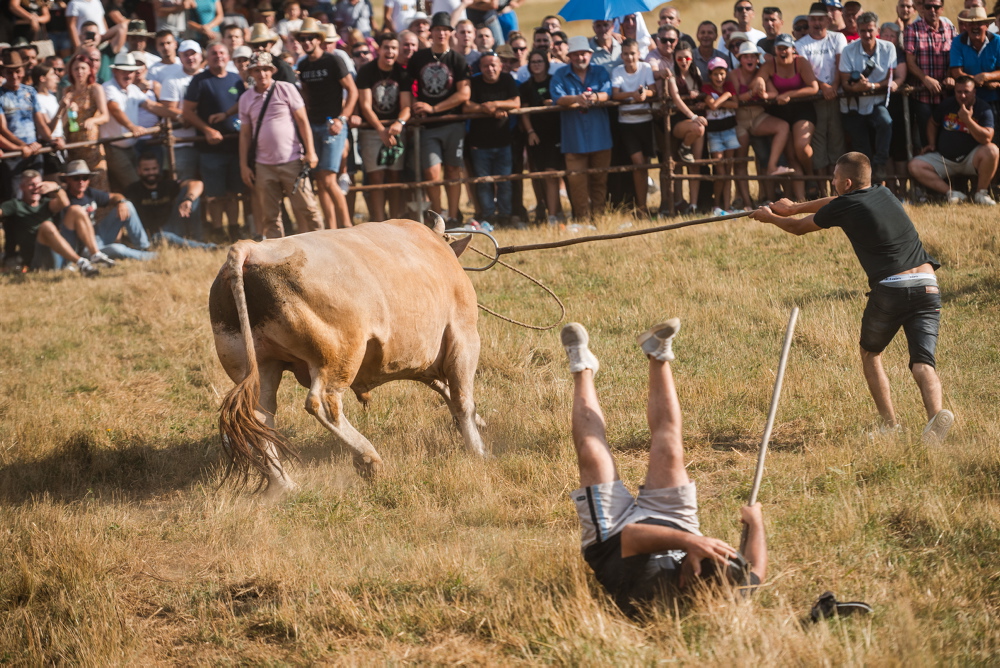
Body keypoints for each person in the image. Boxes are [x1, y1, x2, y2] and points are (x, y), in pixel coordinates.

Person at [558, 319, 767, 618]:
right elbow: (756, 571)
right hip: (675, 525)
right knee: (670, 448)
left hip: (615, 536)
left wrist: (693, 541)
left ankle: (582, 367)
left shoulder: (651, 594)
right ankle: (657, 353)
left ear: (687, 575)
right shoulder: (724, 590)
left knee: (593, 453)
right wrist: (756, 522)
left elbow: (633, 536)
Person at [751, 152, 955, 443]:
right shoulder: (883, 192)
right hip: (928, 285)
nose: (831, 182)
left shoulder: (846, 204)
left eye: (834, 178)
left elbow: (799, 229)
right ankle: (935, 416)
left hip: (892, 286)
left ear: (846, 183)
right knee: (923, 362)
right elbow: (834, 203)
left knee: (871, 354)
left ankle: (889, 425)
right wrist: (794, 207)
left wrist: (770, 218)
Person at [238, 51, 321, 239]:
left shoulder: (286, 89)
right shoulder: (245, 99)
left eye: (266, 69)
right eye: (257, 70)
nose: (262, 74)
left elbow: (303, 121)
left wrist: (311, 152)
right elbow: (244, 135)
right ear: (251, 73)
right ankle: (277, 259)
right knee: (270, 217)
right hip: (263, 164)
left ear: (272, 71)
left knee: (309, 209)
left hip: (292, 159)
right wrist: (244, 165)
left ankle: (323, 248)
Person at [406, 11, 470, 225]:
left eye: (445, 30)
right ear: (430, 32)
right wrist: (411, 108)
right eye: (437, 30)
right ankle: (438, 216)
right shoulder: (418, 58)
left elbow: (464, 94)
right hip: (428, 126)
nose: (441, 33)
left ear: (451, 33)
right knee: (432, 172)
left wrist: (434, 108)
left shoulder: (458, 60)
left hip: (453, 122)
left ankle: (453, 215)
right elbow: (407, 88)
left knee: (453, 169)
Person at [296, 16, 357, 229]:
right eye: (303, 38)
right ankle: (330, 230)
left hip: (333, 126)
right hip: (313, 126)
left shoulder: (333, 60)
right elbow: (304, 96)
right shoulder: (302, 65)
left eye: (310, 38)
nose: (306, 42)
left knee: (330, 179)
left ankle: (348, 228)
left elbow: (352, 91)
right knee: (320, 180)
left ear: (318, 39)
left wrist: (342, 119)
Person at [181, 40, 245, 241]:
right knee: (215, 195)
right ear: (207, 58)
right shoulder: (200, 80)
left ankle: (234, 229)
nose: (218, 56)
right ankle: (218, 231)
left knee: (234, 193)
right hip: (210, 149)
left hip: (235, 146)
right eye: (214, 54)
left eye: (221, 53)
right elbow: (187, 112)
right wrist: (207, 130)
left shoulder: (237, 79)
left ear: (228, 56)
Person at [0, 169, 110, 276]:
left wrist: (56, 188)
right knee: (46, 226)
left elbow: (64, 203)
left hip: (59, 252)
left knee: (76, 209)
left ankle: (95, 255)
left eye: (38, 184)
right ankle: (81, 263)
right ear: (21, 187)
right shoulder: (15, 205)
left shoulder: (45, 204)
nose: (35, 188)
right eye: (31, 184)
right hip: (39, 261)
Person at [908, 76, 998, 205]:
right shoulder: (948, 104)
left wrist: (967, 120)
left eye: (966, 92)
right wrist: (932, 143)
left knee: (993, 150)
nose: (962, 96)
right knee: (914, 166)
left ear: (974, 92)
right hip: (945, 159)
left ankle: (981, 193)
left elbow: (987, 138)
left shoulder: (983, 108)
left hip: (971, 160)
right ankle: (952, 193)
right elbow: (932, 122)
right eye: (959, 92)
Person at [552, 35, 612, 221]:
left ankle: (599, 217)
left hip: (599, 136)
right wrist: (577, 99)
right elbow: (557, 97)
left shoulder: (601, 72)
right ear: (569, 56)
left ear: (590, 54)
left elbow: (607, 92)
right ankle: (582, 219)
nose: (580, 58)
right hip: (574, 138)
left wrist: (594, 97)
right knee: (577, 182)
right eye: (576, 54)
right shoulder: (560, 75)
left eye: (584, 54)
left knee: (600, 180)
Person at [355, 31, 411, 222]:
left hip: (395, 131)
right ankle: (379, 222)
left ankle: (394, 221)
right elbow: (365, 106)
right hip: (372, 131)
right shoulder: (366, 71)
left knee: (395, 176)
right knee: (376, 178)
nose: (390, 51)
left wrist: (399, 122)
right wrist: (380, 130)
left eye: (394, 48)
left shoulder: (402, 72)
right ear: (378, 49)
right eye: (386, 47)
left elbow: (406, 107)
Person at [755, 33, 818, 200]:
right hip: (781, 113)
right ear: (775, 50)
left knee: (801, 146)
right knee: (791, 156)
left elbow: (813, 88)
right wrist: (760, 82)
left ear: (793, 49)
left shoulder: (801, 62)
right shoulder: (770, 64)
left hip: (802, 109)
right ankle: (801, 197)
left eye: (786, 48)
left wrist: (790, 94)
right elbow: (759, 78)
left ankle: (811, 176)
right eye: (779, 48)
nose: (783, 52)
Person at [729, 40, 793, 204]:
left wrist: (764, 96)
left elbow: (773, 93)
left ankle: (772, 167)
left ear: (758, 59)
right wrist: (753, 94)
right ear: (740, 59)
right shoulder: (734, 74)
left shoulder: (760, 74)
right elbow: (736, 98)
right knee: (741, 162)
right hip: (739, 122)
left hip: (758, 117)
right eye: (746, 56)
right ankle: (747, 202)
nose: (750, 59)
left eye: (753, 56)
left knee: (783, 127)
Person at [463, 48, 519, 227]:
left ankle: (505, 215)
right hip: (479, 143)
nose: (490, 69)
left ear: (500, 66)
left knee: (504, 182)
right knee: (483, 182)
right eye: (486, 66)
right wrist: (483, 108)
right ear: (480, 67)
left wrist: (496, 104)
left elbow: (515, 102)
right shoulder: (474, 81)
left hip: (503, 141)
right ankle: (488, 216)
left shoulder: (507, 79)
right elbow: (466, 106)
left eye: (493, 65)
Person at [60, 158, 156, 263]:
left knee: (127, 205)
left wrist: (121, 202)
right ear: (67, 180)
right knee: (117, 249)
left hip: (98, 237)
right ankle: (153, 257)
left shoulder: (89, 193)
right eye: (76, 178)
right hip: (82, 247)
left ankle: (144, 247)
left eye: (85, 177)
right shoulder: (64, 200)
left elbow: (115, 196)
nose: (81, 181)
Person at [838, 12, 896, 183]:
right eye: (862, 31)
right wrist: (855, 87)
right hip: (853, 106)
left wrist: (870, 86)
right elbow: (845, 82)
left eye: (870, 30)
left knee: (886, 122)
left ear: (877, 29)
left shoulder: (888, 48)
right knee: (861, 148)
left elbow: (891, 78)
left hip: (877, 102)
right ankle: (867, 183)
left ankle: (880, 165)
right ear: (857, 30)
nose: (867, 35)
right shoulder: (848, 50)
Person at [796, 2, 847, 190]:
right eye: (813, 19)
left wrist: (833, 85)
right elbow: (805, 70)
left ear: (828, 19)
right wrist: (825, 87)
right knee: (818, 142)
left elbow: (841, 64)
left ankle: (837, 189)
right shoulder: (800, 44)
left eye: (820, 18)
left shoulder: (838, 38)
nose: (817, 23)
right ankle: (821, 189)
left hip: (835, 96)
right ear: (808, 20)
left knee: (836, 140)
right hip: (815, 98)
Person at [0, 51, 58, 200]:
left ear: (23, 71)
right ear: (4, 73)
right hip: (13, 153)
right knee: (15, 194)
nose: (14, 76)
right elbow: (2, 128)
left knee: (38, 191)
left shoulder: (30, 91)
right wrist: (22, 146)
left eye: (17, 71)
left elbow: (39, 122)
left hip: (33, 150)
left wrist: (51, 139)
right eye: (9, 72)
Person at [123, 152, 215, 247]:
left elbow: (197, 183)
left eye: (154, 169)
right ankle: (207, 247)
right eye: (146, 170)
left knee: (191, 194)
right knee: (163, 236)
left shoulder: (167, 184)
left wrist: (188, 199)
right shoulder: (132, 190)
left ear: (158, 168)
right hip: (151, 235)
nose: (151, 173)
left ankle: (198, 239)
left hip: (173, 226)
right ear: (138, 170)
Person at [611, 39, 656, 217]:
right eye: (626, 54)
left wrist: (645, 94)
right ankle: (641, 206)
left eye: (632, 53)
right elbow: (615, 94)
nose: (629, 57)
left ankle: (643, 205)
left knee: (645, 164)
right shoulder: (617, 71)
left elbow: (653, 90)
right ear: (621, 55)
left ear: (638, 54)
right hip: (627, 123)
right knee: (638, 163)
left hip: (645, 120)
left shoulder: (645, 68)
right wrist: (632, 94)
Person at [519, 47, 564, 224]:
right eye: (533, 62)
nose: (536, 65)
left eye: (540, 61)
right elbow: (524, 112)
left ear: (546, 64)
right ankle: (552, 213)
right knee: (545, 175)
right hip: (537, 136)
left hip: (558, 133)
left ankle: (556, 213)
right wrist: (530, 131)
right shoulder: (526, 86)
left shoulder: (555, 81)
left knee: (555, 174)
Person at [102, 52, 158, 191]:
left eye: (131, 71)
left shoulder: (132, 89)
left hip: (130, 146)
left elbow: (151, 105)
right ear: (115, 71)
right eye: (124, 71)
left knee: (133, 185)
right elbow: (114, 109)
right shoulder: (108, 87)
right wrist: (132, 127)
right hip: (114, 147)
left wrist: (179, 115)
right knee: (135, 185)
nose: (128, 75)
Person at [904, 0, 957, 148]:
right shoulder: (912, 29)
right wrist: (925, 79)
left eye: (936, 7)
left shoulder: (950, 29)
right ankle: (928, 168)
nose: (932, 10)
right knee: (926, 138)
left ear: (942, 9)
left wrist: (950, 75)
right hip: (923, 95)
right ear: (922, 8)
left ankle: (947, 168)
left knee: (948, 133)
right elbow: (910, 61)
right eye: (928, 6)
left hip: (946, 94)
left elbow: (955, 57)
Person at [661, 45, 706, 214]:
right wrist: (693, 115)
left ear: (691, 58)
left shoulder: (697, 73)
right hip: (681, 120)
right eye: (679, 58)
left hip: (698, 117)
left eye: (686, 58)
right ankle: (684, 147)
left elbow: (704, 91)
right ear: (675, 59)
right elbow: (676, 98)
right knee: (698, 129)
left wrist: (701, 99)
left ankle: (693, 205)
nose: (683, 61)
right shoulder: (672, 75)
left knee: (695, 164)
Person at [159, 39, 203, 182]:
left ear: (201, 56)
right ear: (180, 57)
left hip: (206, 141)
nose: (190, 58)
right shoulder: (171, 80)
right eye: (186, 54)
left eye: (193, 54)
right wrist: (189, 117)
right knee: (184, 182)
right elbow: (168, 109)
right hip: (182, 143)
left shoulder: (208, 76)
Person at [702, 57, 740, 215]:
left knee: (728, 170)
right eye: (716, 74)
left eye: (722, 73)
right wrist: (726, 95)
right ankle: (716, 204)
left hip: (730, 130)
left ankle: (727, 205)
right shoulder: (706, 87)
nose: (719, 77)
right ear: (710, 75)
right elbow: (712, 105)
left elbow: (736, 104)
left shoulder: (729, 85)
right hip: (714, 134)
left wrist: (720, 99)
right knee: (720, 171)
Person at [949, 7, 1000, 119]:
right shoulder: (958, 41)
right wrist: (985, 83)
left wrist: (987, 76)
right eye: (971, 24)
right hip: (966, 100)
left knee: (993, 132)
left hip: (994, 98)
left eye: (979, 23)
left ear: (987, 25)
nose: (975, 27)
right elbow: (957, 73)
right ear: (966, 26)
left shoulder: (997, 41)